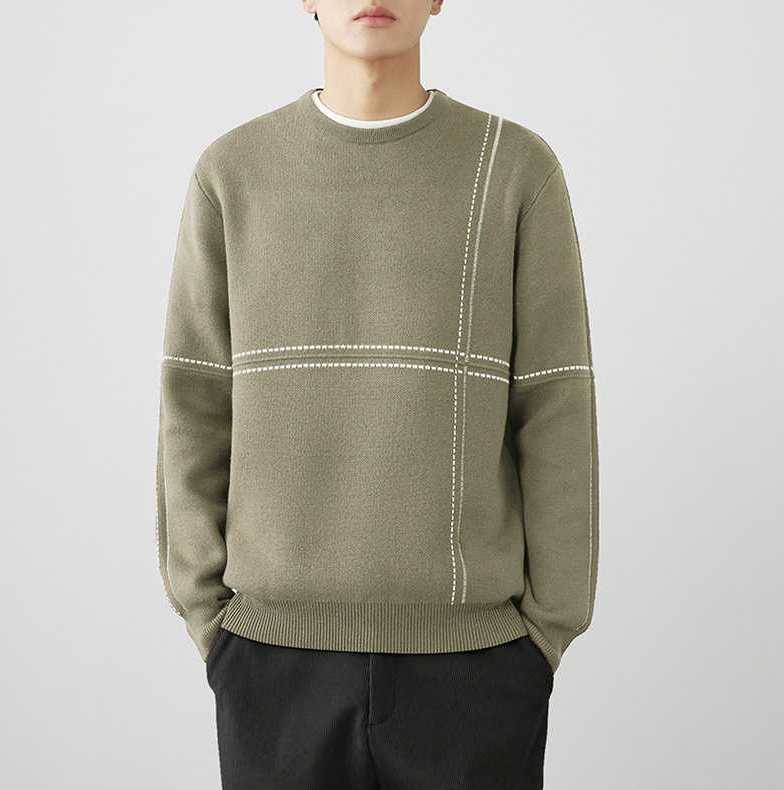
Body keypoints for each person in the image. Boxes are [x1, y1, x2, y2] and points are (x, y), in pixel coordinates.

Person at [155, 1, 599, 787]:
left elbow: (554, 405)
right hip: (272, 663)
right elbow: (195, 402)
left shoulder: (512, 169)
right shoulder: (232, 173)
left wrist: (545, 633)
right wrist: (212, 621)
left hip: (477, 668)